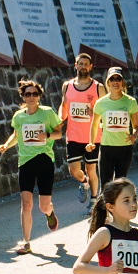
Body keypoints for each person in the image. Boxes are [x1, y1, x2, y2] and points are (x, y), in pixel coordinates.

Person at [0, 79, 62, 255]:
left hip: (44, 160)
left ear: (39, 96)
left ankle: (50, 213)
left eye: (34, 94)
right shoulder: (19, 116)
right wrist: (6, 145)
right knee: (26, 205)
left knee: (43, 206)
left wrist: (47, 134)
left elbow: (59, 133)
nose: (31, 97)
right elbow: (16, 135)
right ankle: (26, 242)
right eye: (28, 94)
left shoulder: (47, 113)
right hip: (25, 162)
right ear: (23, 97)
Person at [58, 53, 103, 206]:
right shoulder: (67, 86)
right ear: (75, 66)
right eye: (80, 63)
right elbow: (63, 105)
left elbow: (106, 109)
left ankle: (94, 199)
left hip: (92, 136)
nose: (83, 66)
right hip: (73, 135)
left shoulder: (98, 87)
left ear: (90, 67)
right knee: (73, 170)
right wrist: (60, 120)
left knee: (91, 169)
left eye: (86, 64)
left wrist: (97, 113)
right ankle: (84, 182)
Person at [89, 67, 138, 184]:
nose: (115, 82)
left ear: (123, 82)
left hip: (125, 149)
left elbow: (136, 126)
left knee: (120, 186)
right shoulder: (100, 103)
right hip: (107, 148)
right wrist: (91, 142)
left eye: (118, 79)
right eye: (112, 79)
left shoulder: (131, 102)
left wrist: (134, 135)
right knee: (105, 187)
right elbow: (94, 125)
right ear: (108, 82)